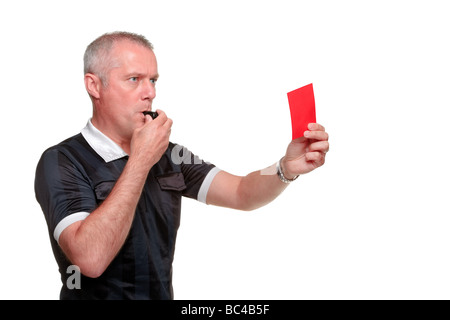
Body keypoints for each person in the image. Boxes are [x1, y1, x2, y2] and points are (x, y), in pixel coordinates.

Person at [35, 31, 330, 300]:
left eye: (153, 80)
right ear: (94, 85)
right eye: (134, 79)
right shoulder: (62, 160)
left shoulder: (171, 155)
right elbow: (90, 260)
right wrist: (140, 160)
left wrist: (284, 168)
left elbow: (241, 190)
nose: (149, 92)